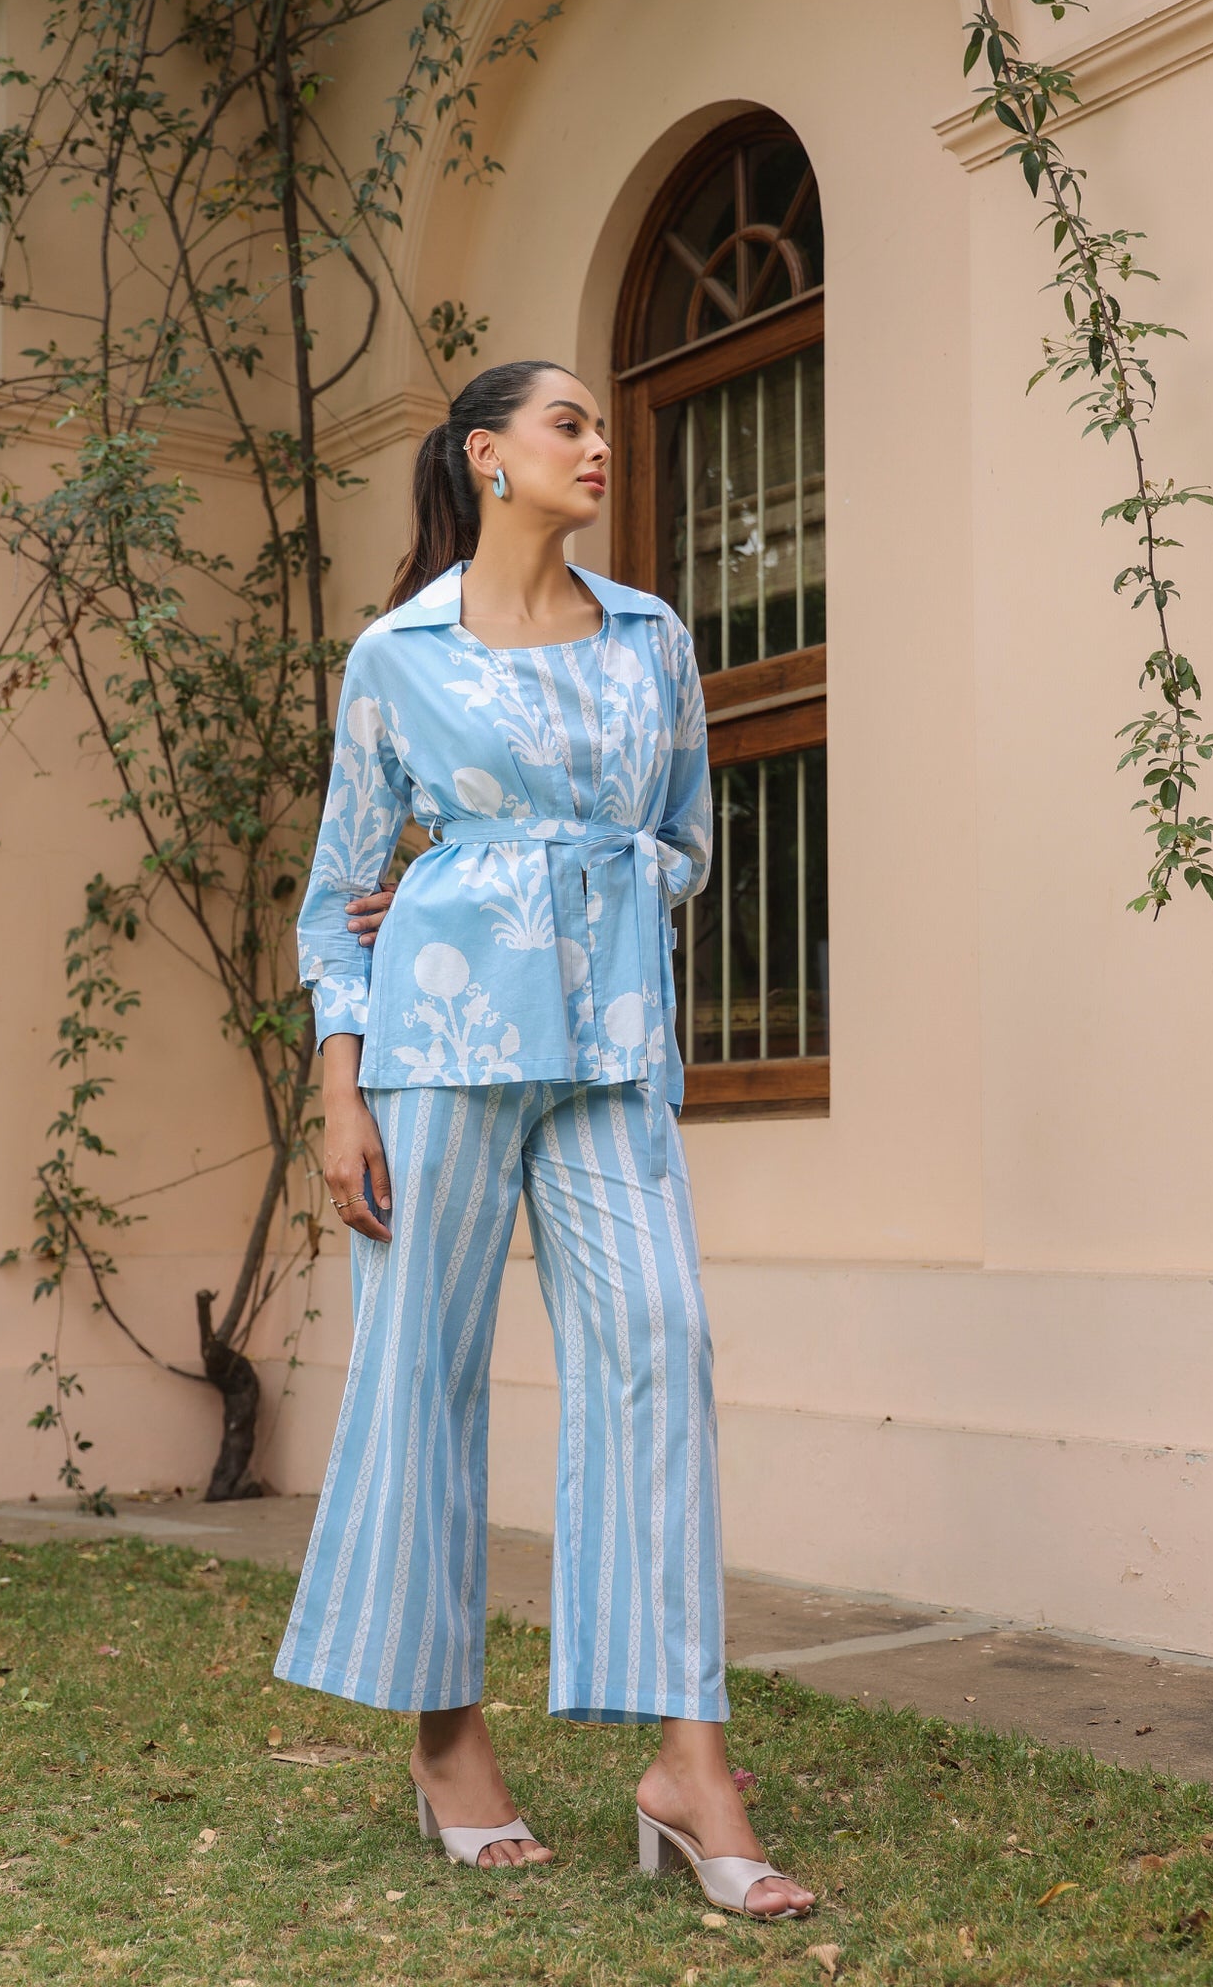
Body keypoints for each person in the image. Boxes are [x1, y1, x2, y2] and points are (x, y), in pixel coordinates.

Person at [272, 359, 816, 1921]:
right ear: (485, 455)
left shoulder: (650, 637)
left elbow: (682, 847)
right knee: (421, 1374)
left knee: (657, 1344)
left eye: (596, 425)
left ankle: (689, 1762)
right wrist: (339, 1091)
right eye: (565, 423)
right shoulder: (399, 655)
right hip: (437, 1049)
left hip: (609, 1044)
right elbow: (335, 895)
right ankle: (446, 1740)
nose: (595, 446)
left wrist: (526, 868)